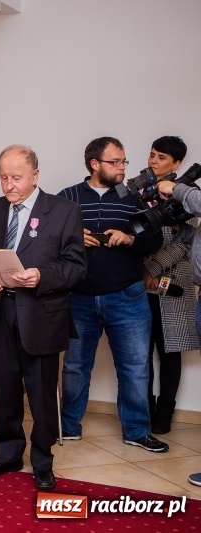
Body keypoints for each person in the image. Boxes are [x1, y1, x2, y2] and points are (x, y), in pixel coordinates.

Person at [0, 145, 86, 491]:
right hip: (0, 312)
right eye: (3, 177)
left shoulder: (64, 211)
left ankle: (42, 460)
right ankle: (7, 455)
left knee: (42, 394)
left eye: (16, 178)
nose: (9, 185)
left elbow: (77, 267)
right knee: (5, 390)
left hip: (41, 316)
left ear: (35, 175)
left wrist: (41, 276)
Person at [58, 136, 168, 452]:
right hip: (78, 298)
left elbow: (156, 242)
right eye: (115, 162)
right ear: (95, 164)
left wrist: (131, 238)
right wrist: (73, 237)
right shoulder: (66, 198)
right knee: (75, 367)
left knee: (135, 368)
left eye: (124, 162)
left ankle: (136, 431)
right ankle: (68, 427)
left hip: (128, 297)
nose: (122, 168)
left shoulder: (135, 198)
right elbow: (47, 240)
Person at [142, 136, 197, 434]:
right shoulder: (137, 189)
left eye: (161, 157)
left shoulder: (189, 194)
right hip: (138, 285)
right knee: (141, 353)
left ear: (176, 163)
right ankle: (144, 410)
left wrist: (152, 268)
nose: (153, 161)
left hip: (173, 285)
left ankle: (164, 416)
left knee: (170, 352)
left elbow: (187, 243)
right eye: (152, 154)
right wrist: (141, 272)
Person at [156, 176, 201, 488]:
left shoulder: (185, 191)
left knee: (170, 354)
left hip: (181, 288)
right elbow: (193, 234)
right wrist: (181, 229)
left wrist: (180, 190)